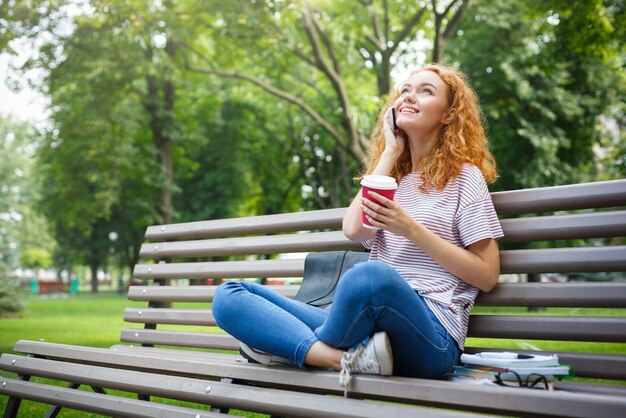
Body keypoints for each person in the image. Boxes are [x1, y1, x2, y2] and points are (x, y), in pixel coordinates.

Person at [212, 63, 504, 393]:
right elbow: (353, 230)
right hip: (368, 336)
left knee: (368, 276)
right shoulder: (394, 180)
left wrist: (410, 228)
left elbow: (487, 274)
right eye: (405, 90)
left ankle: (287, 347)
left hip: (431, 337)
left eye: (426, 91)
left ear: (449, 115)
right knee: (230, 295)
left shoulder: (464, 179)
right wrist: (390, 152)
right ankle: (337, 358)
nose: (409, 96)